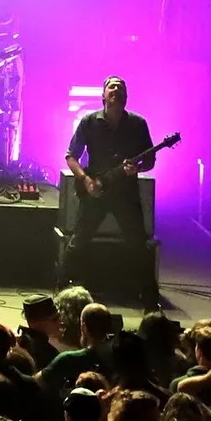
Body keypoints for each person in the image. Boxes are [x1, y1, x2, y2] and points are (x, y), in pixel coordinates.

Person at [62, 76, 156, 297]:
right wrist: (86, 180)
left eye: (121, 87)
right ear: (103, 95)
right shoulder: (89, 121)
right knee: (78, 242)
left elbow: (150, 160)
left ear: (126, 96)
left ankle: (151, 302)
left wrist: (137, 168)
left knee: (139, 245)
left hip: (126, 194)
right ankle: (63, 289)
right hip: (96, 191)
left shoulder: (138, 124)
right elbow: (71, 156)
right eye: (111, 86)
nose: (116, 89)